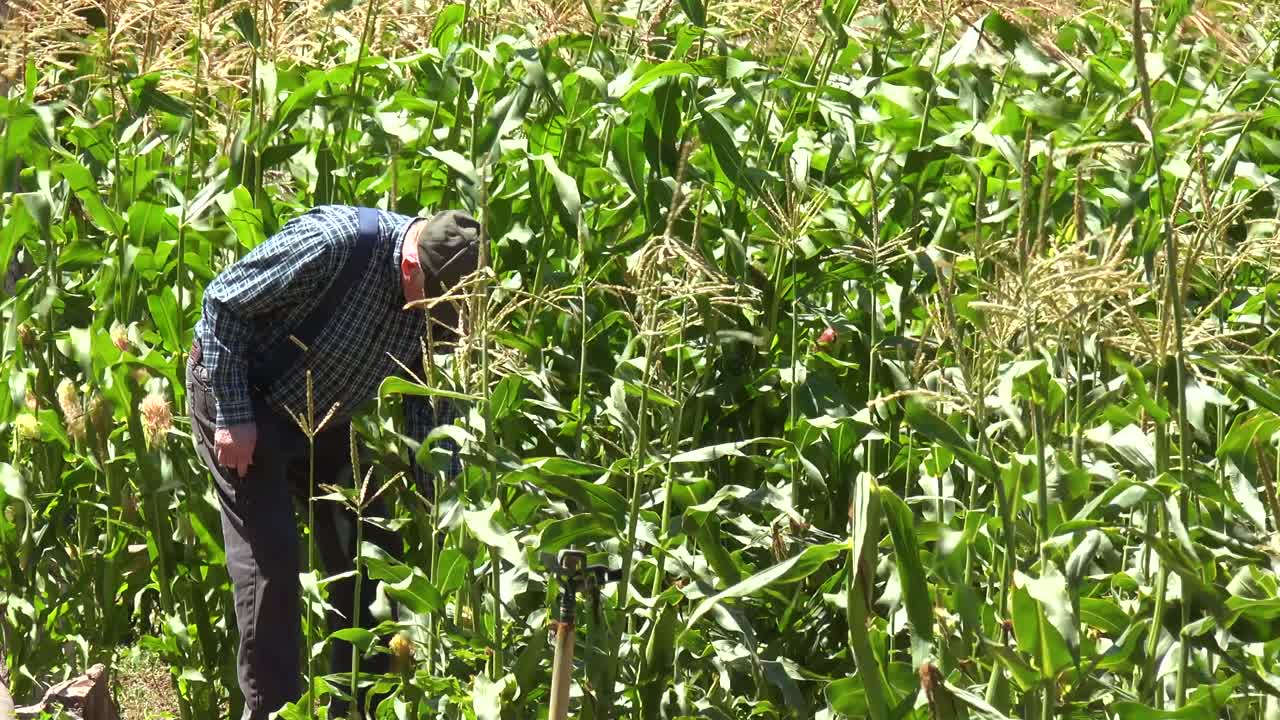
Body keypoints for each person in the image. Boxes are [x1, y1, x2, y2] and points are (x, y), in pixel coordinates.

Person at [185, 204, 479, 719]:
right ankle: (273, 712)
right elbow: (222, 303)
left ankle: (355, 706)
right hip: (242, 397)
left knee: (375, 549)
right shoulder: (337, 244)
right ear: (412, 267)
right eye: (438, 310)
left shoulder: (438, 294)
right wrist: (233, 416)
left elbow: (425, 399)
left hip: (325, 415)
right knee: (272, 567)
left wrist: (442, 493)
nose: (443, 324)